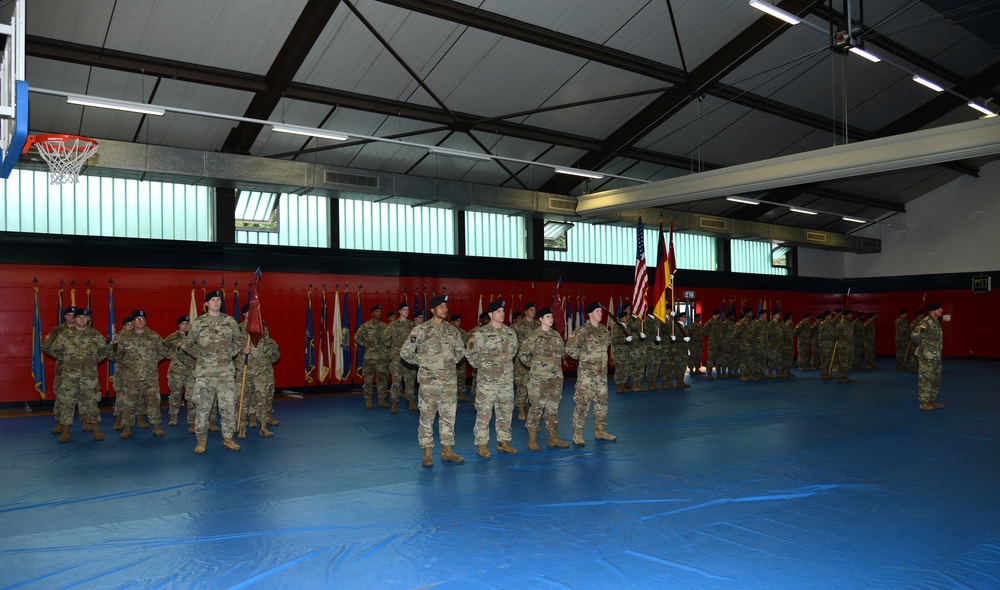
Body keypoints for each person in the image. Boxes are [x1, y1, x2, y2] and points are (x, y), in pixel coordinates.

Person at [400, 294, 466, 467]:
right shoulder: (420, 330)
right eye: (441, 306)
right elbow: (405, 353)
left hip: (449, 383)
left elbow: (460, 351)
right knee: (427, 417)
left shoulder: (453, 330)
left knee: (449, 416)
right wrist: (425, 362)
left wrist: (450, 361)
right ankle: (427, 452)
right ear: (432, 310)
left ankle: (447, 451)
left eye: (446, 306)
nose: (445, 309)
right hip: (429, 383)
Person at [182, 290, 247, 454]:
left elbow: (240, 339)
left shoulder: (229, 321)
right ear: (206, 304)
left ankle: (228, 439)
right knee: (203, 408)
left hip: (226, 373)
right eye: (212, 300)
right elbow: (187, 344)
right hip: (205, 374)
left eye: (218, 300)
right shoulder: (198, 322)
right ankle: (201, 441)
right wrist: (202, 356)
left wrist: (229, 353)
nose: (216, 302)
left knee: (228, 407)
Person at [466, 300, 519, 458]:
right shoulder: (480, 334)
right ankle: (482, 444)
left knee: (506, 411)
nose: (502, 313)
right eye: (498, 311)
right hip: (488, 382)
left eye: (503, 311)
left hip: (506, 381)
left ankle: (503, 442)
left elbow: (514, 350)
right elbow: (469, 353)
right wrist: (483, 367)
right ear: (490, 314)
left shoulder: (510, 333)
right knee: (484, 412)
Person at [48, 309, 110, 443]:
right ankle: (65, 432)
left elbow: (105, 350)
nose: (82, 319)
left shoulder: (95, 335)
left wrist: (92, 360)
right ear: (75, 319)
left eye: (85, 317)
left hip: (89, 377)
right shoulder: (65, 335)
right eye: (79, 317)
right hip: (69, 377)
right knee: (67, 404)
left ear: (88, 319)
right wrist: (68, 360)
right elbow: (54, 350)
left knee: (92, 403)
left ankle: (96, 430)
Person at [518, 307, 570, 450]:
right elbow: (523, 355)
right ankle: (532, 438)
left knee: (553, 408)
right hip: (539, 379)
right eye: (547, 316)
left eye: (551, 316)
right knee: (536, 408)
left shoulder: (556, 335)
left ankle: (552, 437)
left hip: (556, 378)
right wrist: (535, 366)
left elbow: (561, 353)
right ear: (540, 319)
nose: (551, 319)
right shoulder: (533, 336)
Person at [566, 301, 615, 445]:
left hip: (602, 375)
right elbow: (570, 349)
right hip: (587, 376)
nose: (600, 314)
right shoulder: (581, 331)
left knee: (601, 403)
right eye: (597, 311)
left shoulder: (604, 330)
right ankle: (578, 433)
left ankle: (600, 431)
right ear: (590, 314)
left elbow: (606, 346)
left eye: (601, 311)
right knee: (582, 404)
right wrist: (584, 356)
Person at [111, 310, 167, 439]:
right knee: (129, 402)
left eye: (142, 319)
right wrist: (127, 363)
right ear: (133, 322)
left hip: (150, 376)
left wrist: (151, 362)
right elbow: (116, 353)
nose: (140, 321)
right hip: (131, 376)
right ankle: (126, 428)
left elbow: (162, 351)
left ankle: (156, 426)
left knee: (153, 401)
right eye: (137, 319)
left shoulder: (154, 336)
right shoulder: (124, 337)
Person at [234, 307, 281, 439]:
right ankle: (242, 428)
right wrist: (241, 350)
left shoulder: (262, 329)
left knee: (262, 399)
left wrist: (266, 361)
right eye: (250, 312)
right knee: (242, 400)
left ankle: (263, 427)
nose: (253, 315)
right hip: (244, 370)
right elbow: (231, 349)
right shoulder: (237, 329)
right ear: (244, 314)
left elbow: (269, 346)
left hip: (260, 371)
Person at [42, 305, 77, 435]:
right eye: (69, 315)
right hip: (63, 370)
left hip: (83, 371)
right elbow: (46, 346)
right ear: (65, 316)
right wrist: (62, 356)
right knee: (61, 397)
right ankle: (59, 423)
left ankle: (87, 422)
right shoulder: (58, 330)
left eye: (74, 315)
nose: (71, 317)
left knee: (85, 397)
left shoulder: (84, 330)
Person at [382, 302, 418, 414]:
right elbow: (384, 339)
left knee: (410, 381)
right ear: (399, 311)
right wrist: (394, 347)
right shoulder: (393, 325)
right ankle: (394, 403)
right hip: (397, 359)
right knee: (396, 382)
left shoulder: (412, 325)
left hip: (409, 359)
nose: (406, 311)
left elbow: (415, 340)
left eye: (407, 309)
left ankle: (411, 401)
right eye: (404, 309)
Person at [910, 302, 945, 411]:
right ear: (933, 311)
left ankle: (931, 400)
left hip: (936, 356)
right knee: (925, 379)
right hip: (927, 356)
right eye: (939, 308)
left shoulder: (936, 322)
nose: (942, 310)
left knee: (935, 378)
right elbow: (914, 335)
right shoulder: (926, 322)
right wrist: (924, 346)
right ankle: (924, 403)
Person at [354, 304, 390, 410]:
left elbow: (389, 339)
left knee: (382, 379)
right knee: (368, 380)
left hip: (382, 358)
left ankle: (381, 399)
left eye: (380, 311)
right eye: (377, 311)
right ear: (372, 313)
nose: (379, 313)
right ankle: (368, 399)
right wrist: (366, 344)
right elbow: (357, 337)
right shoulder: (366, 326)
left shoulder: (385, 326)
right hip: (370, 357)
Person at [164, 315, 196, 428]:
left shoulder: (193, 337)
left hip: (191, 371)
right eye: (183, 323)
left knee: (192, 396)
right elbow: (163, 350)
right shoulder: (171, 338)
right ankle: (173, 417)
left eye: (187, 323)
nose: (186, 325)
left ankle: (192, 421)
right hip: (176, 371)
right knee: (175, 394)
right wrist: (173, 356)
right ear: (178, 325)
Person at [511, 302, 538, 420]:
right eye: (531, 309)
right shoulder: (518, 325)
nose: (533, 311)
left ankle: (532, 407)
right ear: (525, 312)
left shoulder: (539, 325)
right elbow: (510, 340)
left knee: (535, 385)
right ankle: (521, 409)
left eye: (534, 309)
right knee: (522, 385)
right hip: (521, 361)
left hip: (536, 361)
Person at [450, 314, 471, 402]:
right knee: (451, 378)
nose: (459, 323)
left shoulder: (462, 332)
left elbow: (467, 343)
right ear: (452, 322)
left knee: (461, 376)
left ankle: (460, 394)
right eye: (457, 321)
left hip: (461, 358)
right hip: (451, 359)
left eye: (459, 321)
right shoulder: (448, 331)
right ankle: (452, 398)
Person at [611, 310, 633, 393]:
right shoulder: (617, 327)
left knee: (626, 369)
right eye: (625, 317)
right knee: (619, 369)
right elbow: (615, 339)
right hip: (620, 352)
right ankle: (618, 386)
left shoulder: (628, 327)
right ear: (621, 318)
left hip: (627, 351)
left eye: (627, 316)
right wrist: (624, 340)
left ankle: (623, 385)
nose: (627, 318)